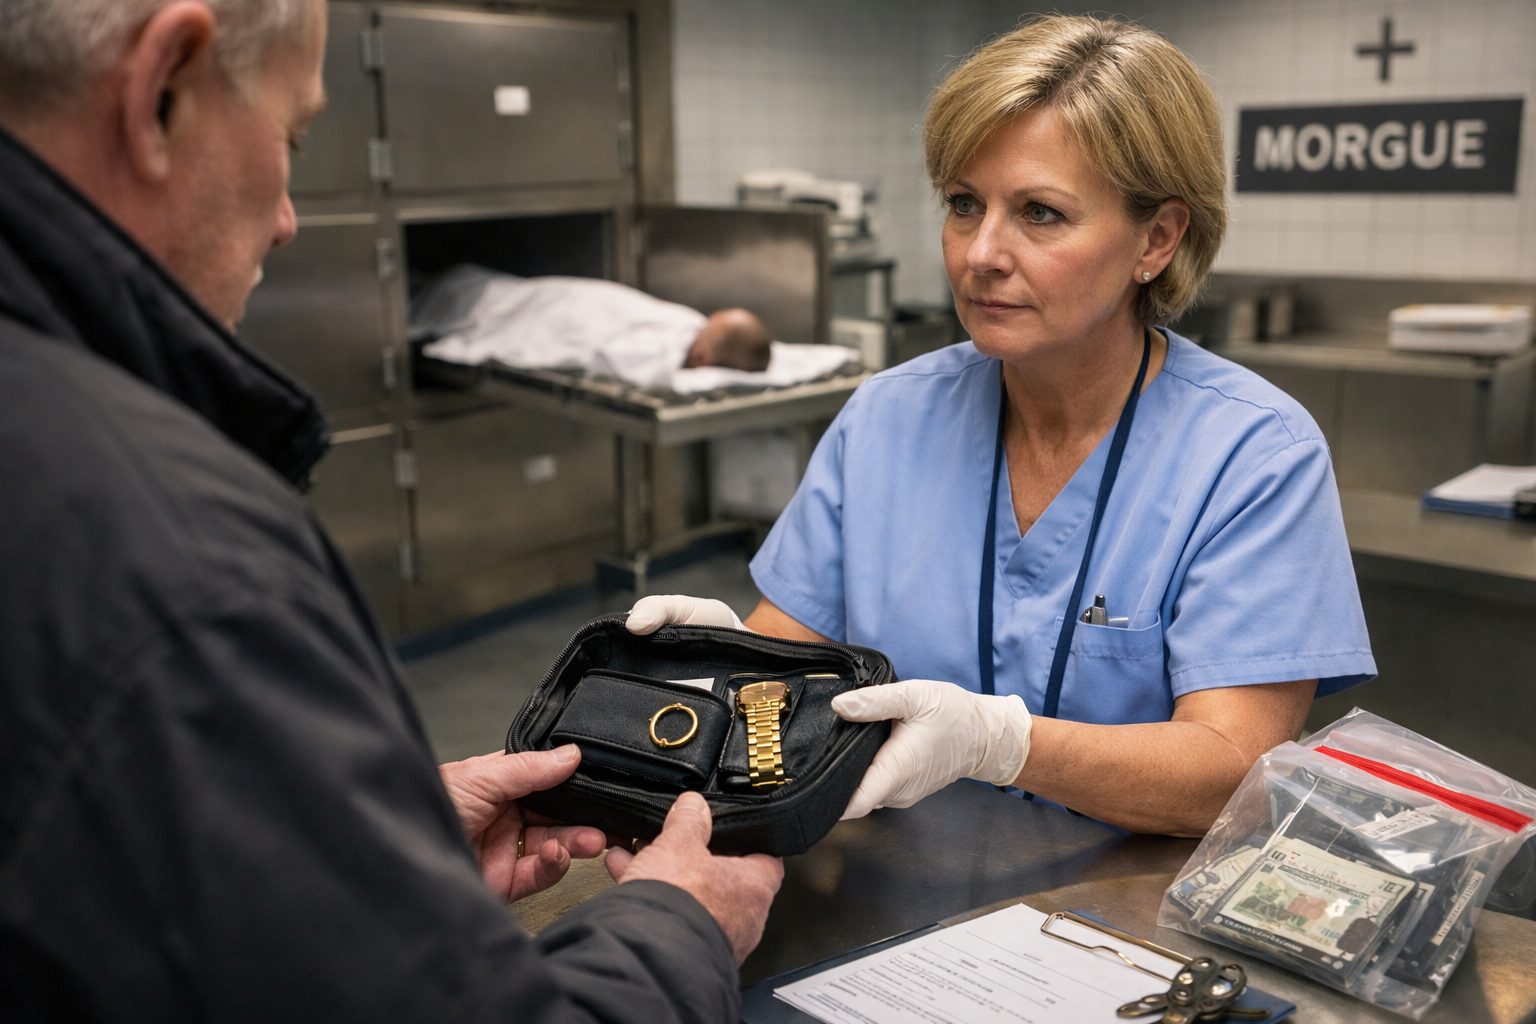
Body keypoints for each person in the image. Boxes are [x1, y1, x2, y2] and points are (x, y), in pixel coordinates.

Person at [0, 1, 780, 1019]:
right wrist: (681, 923)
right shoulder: (180, 563)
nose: (286, 216)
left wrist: (368, 846)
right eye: (290, 137)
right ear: (163, 91)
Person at [628, 14, 1376, 838]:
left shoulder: (1252, 453)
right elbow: (791, 653)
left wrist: (1000, 743)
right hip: (882, 891)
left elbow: (1230, 772)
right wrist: (730, 666)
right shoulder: (887, 418)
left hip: (1124, 918)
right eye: (963, 204)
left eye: (1040, 214)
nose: (980, 252)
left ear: (1157, 239)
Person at [410, 265, 773, 389]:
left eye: (711, 326)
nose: (704, 321)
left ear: (703, 355)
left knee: (472, 303)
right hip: (549, 296)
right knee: (486, 291)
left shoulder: (656, 352)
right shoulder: (685, 323)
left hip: (539, 312)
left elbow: (593, 348)